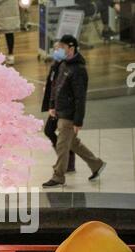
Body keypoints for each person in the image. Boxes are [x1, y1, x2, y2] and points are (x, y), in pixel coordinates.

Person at [42, 34, 106, 189]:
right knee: (73, 144)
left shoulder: (79, 70)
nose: (59, 50)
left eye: (62, 47)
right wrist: (52, 105)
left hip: (69, 115)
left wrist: (78, 120)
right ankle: (96, 164)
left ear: (71, 48)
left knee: (63, 146)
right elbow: (56, 87)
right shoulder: (64, 64)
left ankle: (58, 176)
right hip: (60, 111)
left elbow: (80, 97)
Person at [41, 42, 76, 173]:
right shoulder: (56, 65)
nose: (56, 51)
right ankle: (66, 161)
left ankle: (68, 162)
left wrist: (54, 105)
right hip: (55, 105)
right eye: (55, 48)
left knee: (53, 132)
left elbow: (61, 88)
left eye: (59, 48)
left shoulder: (64, 66)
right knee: (58, 134)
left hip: (60, 106)